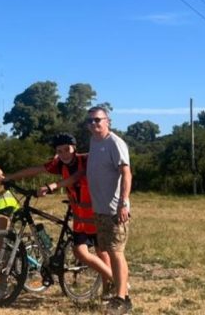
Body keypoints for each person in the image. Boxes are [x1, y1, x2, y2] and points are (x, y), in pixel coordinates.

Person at [4, 132, 112, 289]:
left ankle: (111, 284)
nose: (64, 154)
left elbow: (77, 176)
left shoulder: (86, 160)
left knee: (102, 252)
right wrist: (10, 177)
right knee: (81, 252)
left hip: (97, 215)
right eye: (59, 151)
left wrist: (52, 186)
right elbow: (36, 170)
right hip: (80, 219)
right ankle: (114, 280)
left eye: (67, 149)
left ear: (74, 148)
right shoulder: (59, 164)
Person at [86, 107, 133, 314]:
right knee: (105, 251)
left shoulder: (115, 143)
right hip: (100, 210)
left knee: (116, 253)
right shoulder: (94, 143)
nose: (94, 124)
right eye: (90, 121)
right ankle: (117, 289)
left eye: (98, 120)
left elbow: (126, 173)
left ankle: (122, 299)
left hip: (115, 210)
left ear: (108, 121)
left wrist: (123, 203)